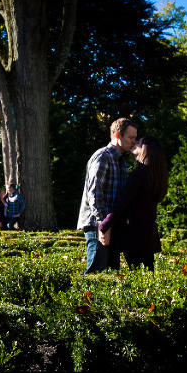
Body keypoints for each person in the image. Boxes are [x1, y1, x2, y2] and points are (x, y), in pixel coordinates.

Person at [77, 116, 139, 274]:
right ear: (118, 136)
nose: (134, 141)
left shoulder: (121, 160)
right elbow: (95, 194)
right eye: (131, 137)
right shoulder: (103, 156)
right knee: (95, 273)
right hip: (97, 225)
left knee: (110, 274)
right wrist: (103, 226)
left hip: (110, 225)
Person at [98, 136, 169, 272]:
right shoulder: (156, 175)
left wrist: (105, 223)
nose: (134, 143)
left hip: (134, 235)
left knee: (139, 277)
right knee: (147, 275)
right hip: (148, 234)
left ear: (145, 149)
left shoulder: (139, 174)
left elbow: (123, 203)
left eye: (139, 143)